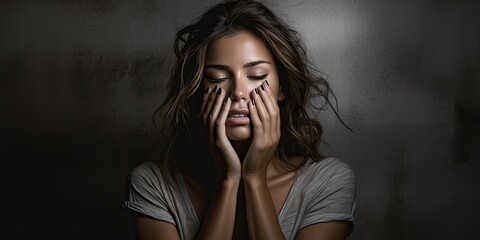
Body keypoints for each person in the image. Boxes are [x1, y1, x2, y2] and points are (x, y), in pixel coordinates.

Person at [123, 0, 356, 239]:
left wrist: (254, 178)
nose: (238, 92)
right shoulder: (153, 184)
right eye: (216, 78)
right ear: (197, 89)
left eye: (256, 75)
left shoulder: (327, 182)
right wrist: (228, 179)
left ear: (282, 88)